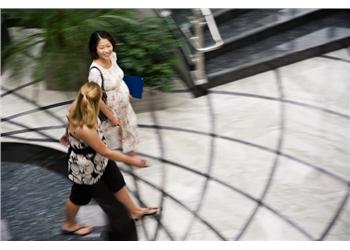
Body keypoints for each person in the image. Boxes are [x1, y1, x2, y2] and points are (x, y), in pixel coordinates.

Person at [61, 82, 157, 236]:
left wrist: (67, 134)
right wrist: (132, 160)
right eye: (101, 98)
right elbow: (105, 151)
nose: (103, 100)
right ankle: (69, 224)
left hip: (98, 158)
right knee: (78, 197)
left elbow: (73, 119)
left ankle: (134, 211)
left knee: (116, 181)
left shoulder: (79, 102)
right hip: (85, 166)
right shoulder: (85, 128)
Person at [88, 30, 139, 155]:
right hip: (111, 109)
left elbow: (117, 75)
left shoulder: (113, 56)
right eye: (101, 47)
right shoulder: (95, 72)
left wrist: (127, 92)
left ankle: (130, 153)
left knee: (130, 126)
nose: (106, 50)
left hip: (125, 105)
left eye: (108, 46)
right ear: (95, 49)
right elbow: (96, 99)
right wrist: (112, 117)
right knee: (112, 136)